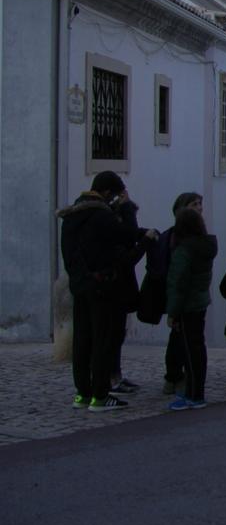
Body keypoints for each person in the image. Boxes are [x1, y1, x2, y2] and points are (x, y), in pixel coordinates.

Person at [57, 171, 154, 412]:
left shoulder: (72, 216)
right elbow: (128, 235)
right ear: (109, 193)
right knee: (102, 341)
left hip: (80, 286)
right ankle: (100, 395)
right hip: (103, 287)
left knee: (82, 341)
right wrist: (128, 208)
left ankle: (83, 393)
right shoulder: (101, 216)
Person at [142, 192, 203, 395]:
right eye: (195, 204)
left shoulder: (188, 237)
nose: (200, 208)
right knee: (181, 339)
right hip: (181, 296)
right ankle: (175, 377)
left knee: (181, 338)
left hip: (186, 296)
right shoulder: (177, 239)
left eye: (200, 204)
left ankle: (176, 377)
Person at [166, 208, 218, 410]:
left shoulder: (184, 251)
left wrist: (173, 312)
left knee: (190, 351)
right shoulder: (204, 247)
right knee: (197, 348)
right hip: (199, 302)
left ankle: (194, 394)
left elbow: (178, 283)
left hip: (187, 306)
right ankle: (195, 391)